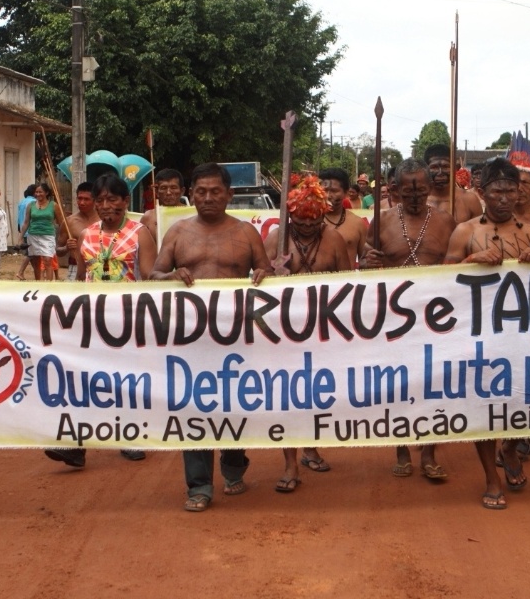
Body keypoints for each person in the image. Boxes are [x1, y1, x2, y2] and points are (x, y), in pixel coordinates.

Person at [150, 162, 273, 512]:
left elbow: (265, 272)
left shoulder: (247, 233)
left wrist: (265, 273)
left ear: (229, 194)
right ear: (191, 195)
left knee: (234, 405)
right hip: (190, 340)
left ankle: (234, 467)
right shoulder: (177, 233)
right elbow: (154, 274)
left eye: (215, 191)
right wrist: (171, 275)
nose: (207, 198)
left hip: (237, 339)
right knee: (194, 409)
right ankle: (200, 485)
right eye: (200, 192)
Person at [444, 158, 530, 509]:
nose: (504, 198)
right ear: (482, 193)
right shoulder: (465, 232)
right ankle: (491, 478)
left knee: (527, 400)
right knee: (484, 408)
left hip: (522, 332)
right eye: (496, 191)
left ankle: (510, 446)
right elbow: (440, 279)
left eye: (510, 191)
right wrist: (471, 262)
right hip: (480, 334)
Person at [45, 174, 157, 468]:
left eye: (113, 200)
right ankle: (77, 444)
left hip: (129, 319)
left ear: (124, 201)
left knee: (126, 380)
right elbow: (82, 277)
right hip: (93, 318)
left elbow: (150, 274)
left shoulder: (140, 233)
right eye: (101, 200)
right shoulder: (86, 236)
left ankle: (130, 436)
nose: (107, 206)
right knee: (86, 379)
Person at [361, 159, 456, 481]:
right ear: (396, 190)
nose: (415, 196)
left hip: (436, 315)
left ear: (429, 188)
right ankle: (401, 446)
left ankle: (429, 451)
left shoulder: (446, 220)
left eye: (421, 189)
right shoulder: (382, 220)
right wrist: (368, 261)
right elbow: (366, 261)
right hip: (393, 316)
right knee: (398, 384)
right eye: (408, 190)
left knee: (434, 384)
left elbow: (457, 265)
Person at [263, 177, 352, 492]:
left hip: (323, 333)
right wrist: (270, 274)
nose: (306, 227)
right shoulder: (275, 239)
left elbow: (347, 288)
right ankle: (289, 463)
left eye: (313, 222)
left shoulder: (335, 240)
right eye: (299, 222)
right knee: (288, 396)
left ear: (322, 217)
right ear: (289, 218)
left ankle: (311, 445)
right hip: (283, 334)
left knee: (317, 394)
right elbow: (257, 284)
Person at [318, 167, 369, 266]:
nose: (328, 195)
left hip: (347, 281)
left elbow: (365, 261)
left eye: (334, 191)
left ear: (346, 193)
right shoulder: (308, 222)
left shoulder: (357, 224)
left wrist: (370, 263)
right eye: (324, 190)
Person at [424, 144, 482, 223]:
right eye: (434, 167)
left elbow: (480, 231)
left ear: (454, 168)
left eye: (445, 166)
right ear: (426, 169)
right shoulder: (419, 201)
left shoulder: (469, 200)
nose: (440, 173)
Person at [21, 183, 67, 281]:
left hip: (48, 236)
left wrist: (62, 237)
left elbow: (61, 223)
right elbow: (26, 222)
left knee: (48, 260)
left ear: (46, 193)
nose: (38, 194)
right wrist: (21, 236)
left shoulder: (54, 205)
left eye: (40, 192)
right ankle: (38, 283)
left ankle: (48, 286)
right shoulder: (31, 205)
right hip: (33, 235)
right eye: (36, 192)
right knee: (36, 262)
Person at [139, 168, 186, 245]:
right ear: (157, 192)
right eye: (164, 188)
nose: (168, 192)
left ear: (182, 191)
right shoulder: (148, 217)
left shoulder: (193, 215)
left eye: (173, 188)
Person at [61, 182, 95, 281]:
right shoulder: (69, 221)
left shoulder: (103, 221)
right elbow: (58, 250)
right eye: (79, 198)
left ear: (95, 200)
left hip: (99, 267)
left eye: (86, 199)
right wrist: (66, 247)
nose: (82, 202)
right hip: (75, 266)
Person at [15, 184, 37, 280]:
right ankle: (20, 272)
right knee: (30, 253)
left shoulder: (21, 202)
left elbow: (19, 217)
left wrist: (20, 230)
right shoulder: (34, 202)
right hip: (31, 230)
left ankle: (37, 272)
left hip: (23, 230)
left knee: (32, 253)